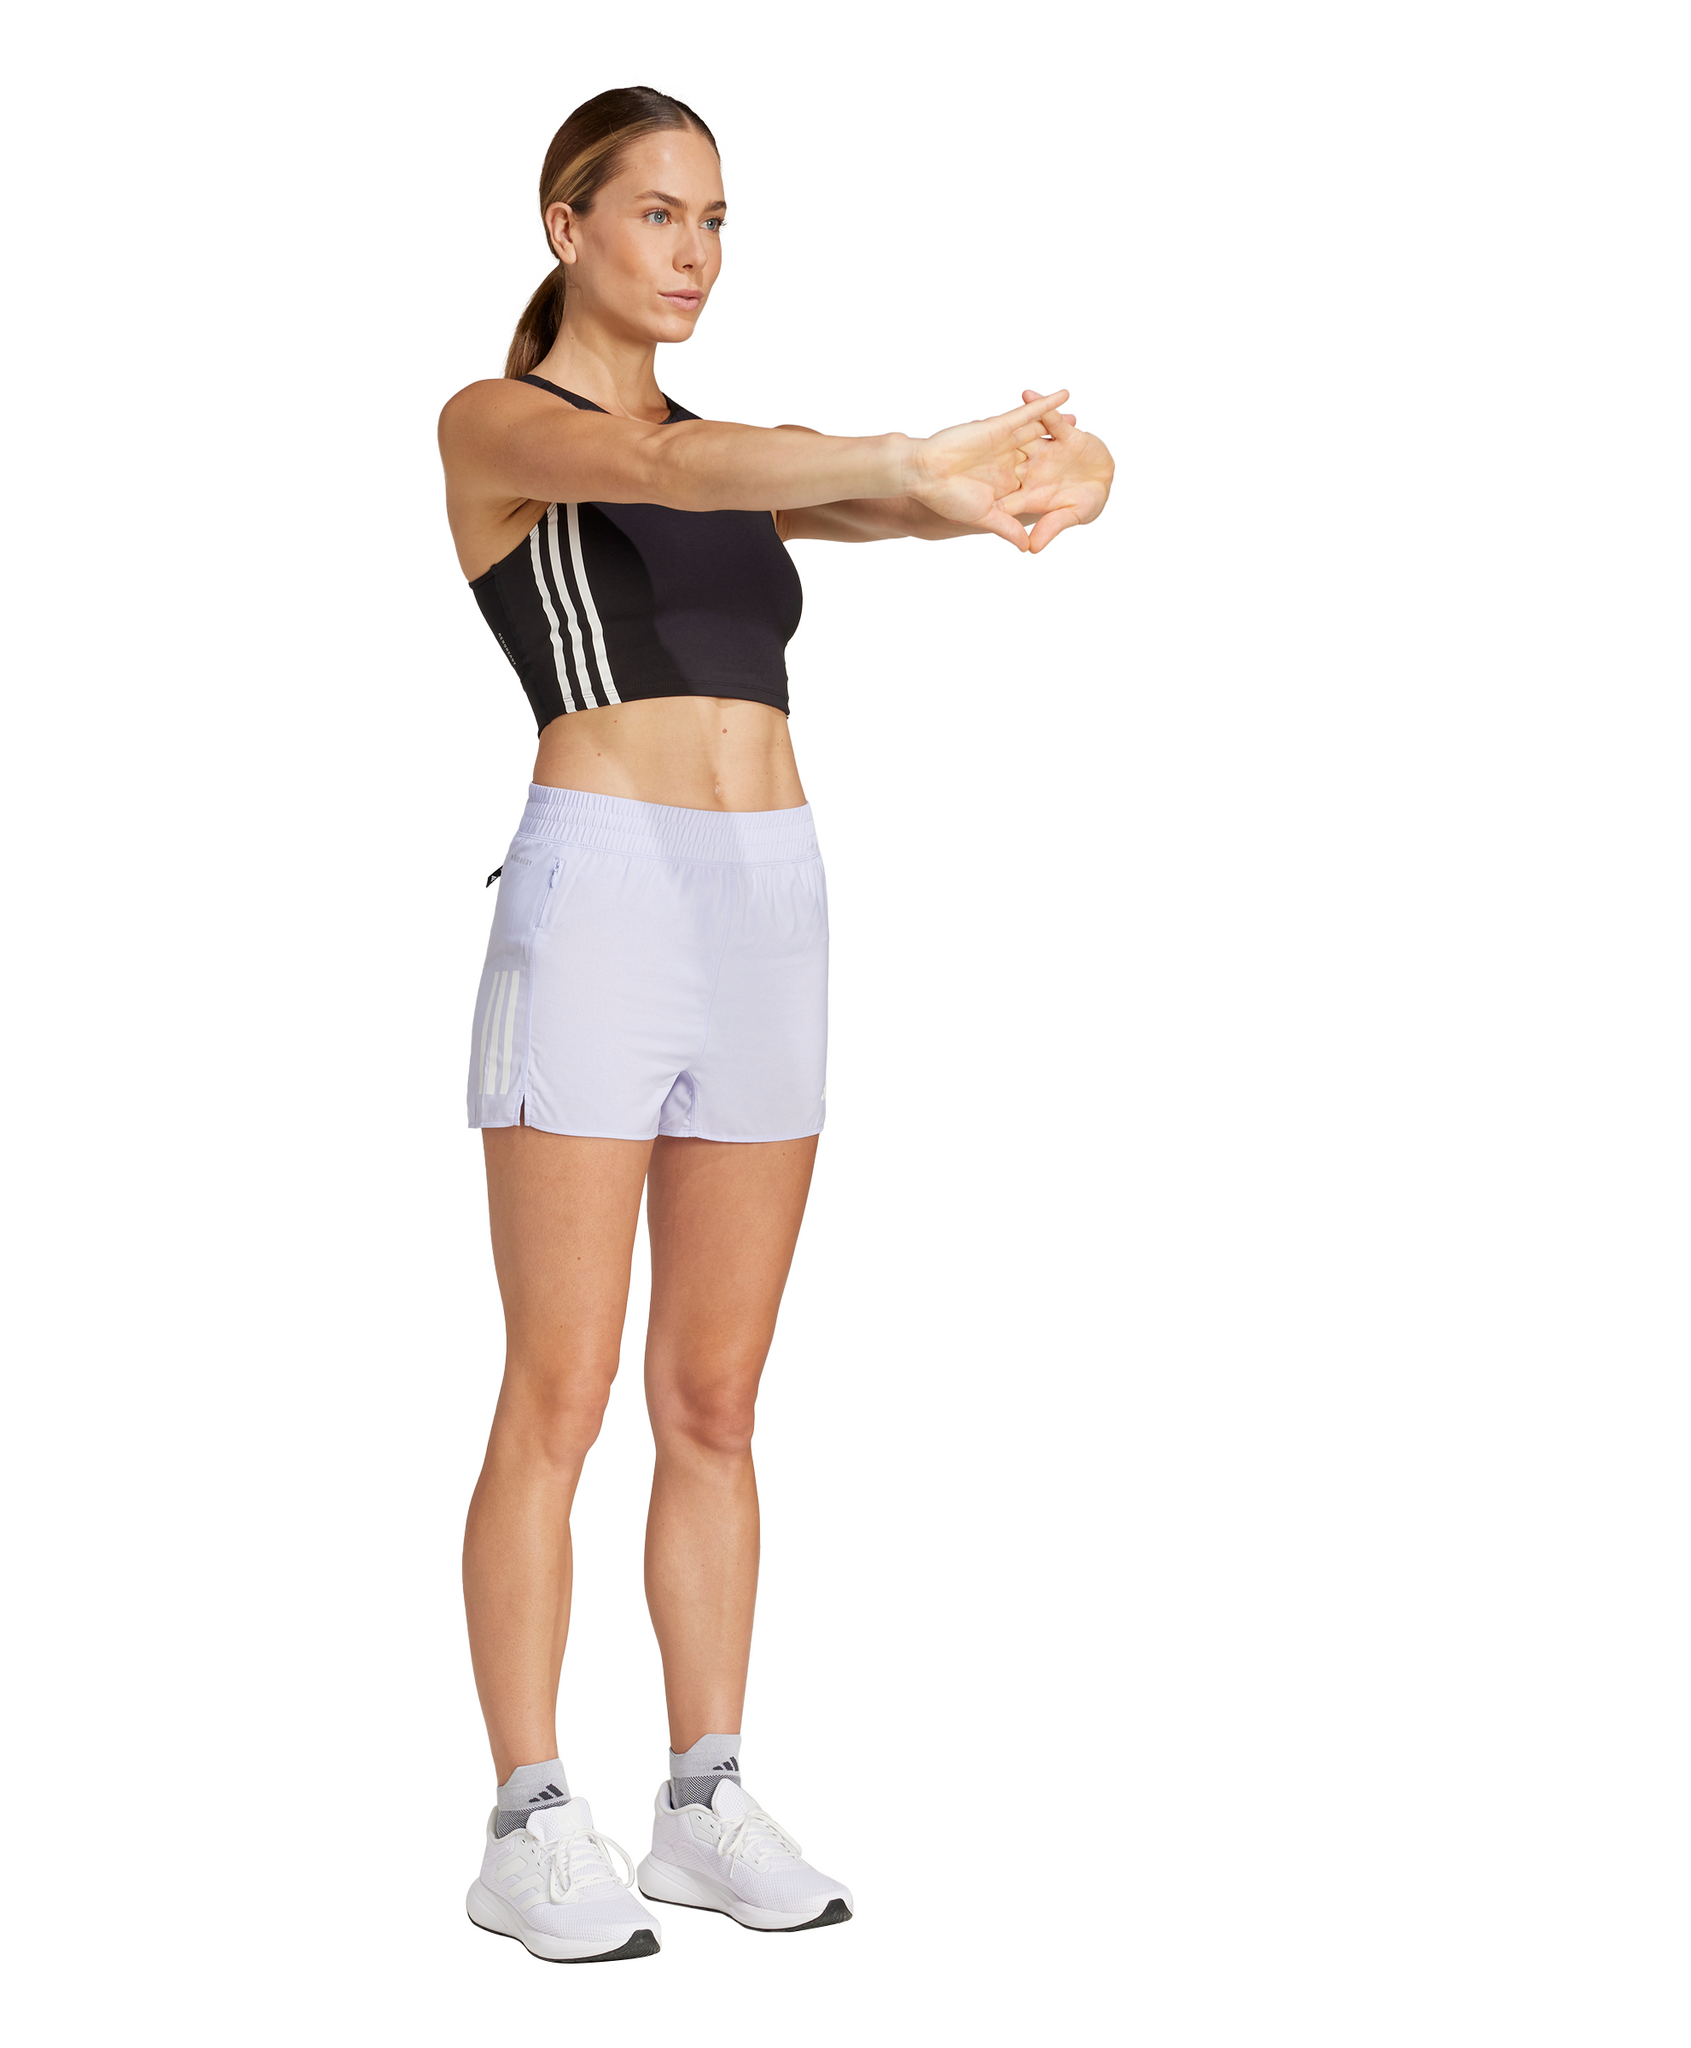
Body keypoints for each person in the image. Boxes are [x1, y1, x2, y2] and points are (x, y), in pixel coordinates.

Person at [439, 85, 1114, 1964]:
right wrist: (908, 456)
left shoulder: (734, 447)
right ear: (567, 225)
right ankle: (527, 1820)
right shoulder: (498, 425)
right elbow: (674, 474)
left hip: (771, 907)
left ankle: (703, 1798)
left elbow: (908, 491)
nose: (695, 252)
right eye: (659, 213)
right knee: (561, 1392)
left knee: (718, 1399)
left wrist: (1049, 465)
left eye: (719, 219)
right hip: (600, 900)